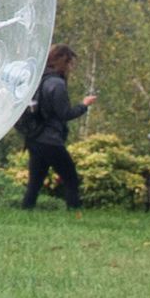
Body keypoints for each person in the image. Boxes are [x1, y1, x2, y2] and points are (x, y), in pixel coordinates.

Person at [18, 45, 91, 209]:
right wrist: (84, 105)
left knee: (35, 181)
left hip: (33, 137)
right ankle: (75, 212)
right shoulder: (56, 84)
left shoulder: (38, 79)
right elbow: (64, 113)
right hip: (50, 139)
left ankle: (26, 210)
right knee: (70, 177)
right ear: (63, 62)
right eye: (70, 64)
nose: (71, 69)